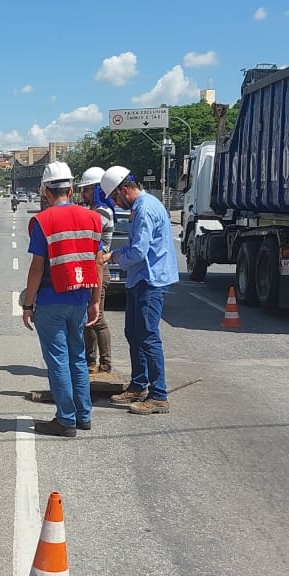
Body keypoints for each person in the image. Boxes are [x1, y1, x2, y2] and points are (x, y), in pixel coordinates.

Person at [21, 161, 103, 438]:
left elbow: (36, 267)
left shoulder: (43, 221)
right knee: (78, 358)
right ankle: (84, 415)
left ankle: (65, 419)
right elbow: (97, 263)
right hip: (80, 297)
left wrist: (28, 304)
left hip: (51, 298)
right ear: (70, 188)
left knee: (58, 360)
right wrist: (95, 300)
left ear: (46, 190)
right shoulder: (93, 218)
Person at [100, 165, 180, 415]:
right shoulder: (141, 207)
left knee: (147, 336)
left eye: (115, 197)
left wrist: (113, 256)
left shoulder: (144, 209)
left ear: (125, 190)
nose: (116, 203)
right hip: (140, 278)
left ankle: (159, 395)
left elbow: (138, 251)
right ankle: (138, 384)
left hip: (151, 280)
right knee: (133, 333)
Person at [76, 166, 113, 376]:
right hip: (89, 269)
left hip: (98, 269)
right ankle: (91, 362)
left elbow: (87, 235)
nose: (84, 194)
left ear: (98, 189)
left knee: (97, 319)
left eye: (88, 190)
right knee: (87, 320)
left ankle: (105, 364)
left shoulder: (101, 213)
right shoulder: (94, 211)